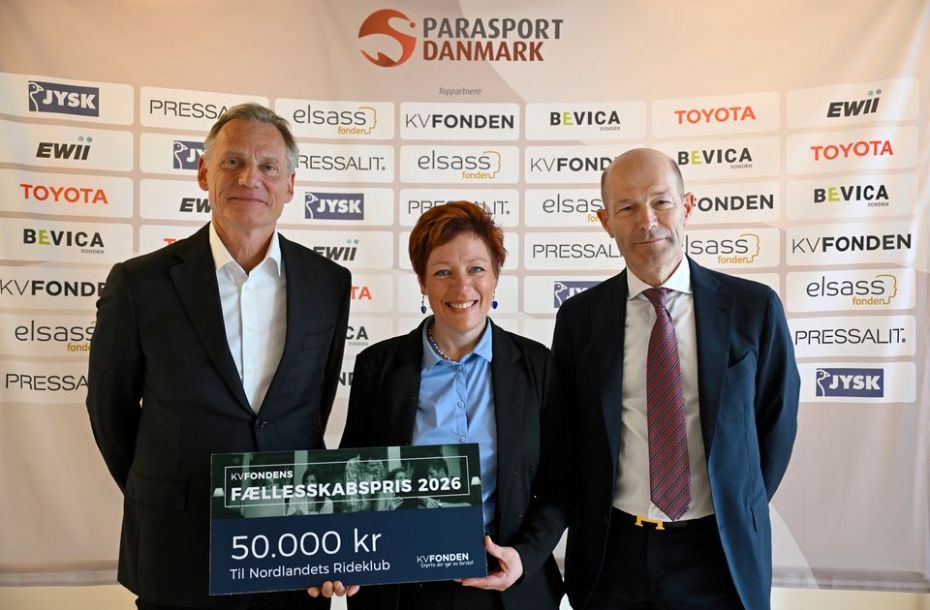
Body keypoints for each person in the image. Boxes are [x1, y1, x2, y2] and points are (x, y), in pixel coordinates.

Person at [86, 103, 351, 610]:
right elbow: (109, 410)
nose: (250, 178)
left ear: (290, 185)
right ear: (204, 173)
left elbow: (312, 407)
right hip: (177, 547)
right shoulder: (140, 283)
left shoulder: (329, 284)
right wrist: (160, 491)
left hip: (291, 552)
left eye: (269, 166)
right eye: (233, 162)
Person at [552, 148, 800, 610]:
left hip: (721, 558)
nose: (647, 221)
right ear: (606, 222)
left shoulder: (753, 308)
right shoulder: (579, 319)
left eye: (661, 202)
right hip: (612, 558)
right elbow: (566, 440)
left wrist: (735, 505)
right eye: (627, 208)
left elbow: (775, 425)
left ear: (687, 207)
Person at [310, 201, 568, 609]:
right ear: (422, 282)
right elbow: (355, 482)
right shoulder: (379, 366)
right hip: (403, 590)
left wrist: (525, 556)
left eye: (476, 269)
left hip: (507, 588)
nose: (462, 288)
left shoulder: (536, 365)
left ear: (496, 275)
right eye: (443, 272)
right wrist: (346, 558)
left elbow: (561, 483)